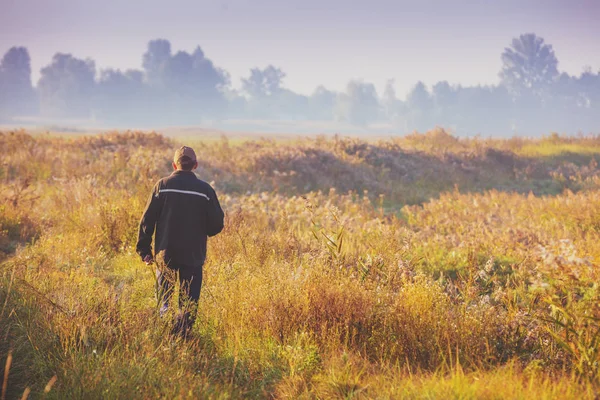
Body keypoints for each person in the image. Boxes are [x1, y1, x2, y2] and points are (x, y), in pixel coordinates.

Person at [136, 146, 224, 337]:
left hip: (165, 254)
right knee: (188, 303)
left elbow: (147, 220)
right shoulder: (205, 190)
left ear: (174, 165)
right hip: (193, 256)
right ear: (196, 165)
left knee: (164, 301)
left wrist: (144, 251)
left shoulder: (162, 186)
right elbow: (217, 224)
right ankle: (183, 338)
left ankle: (166, 338)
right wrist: (203, 231)